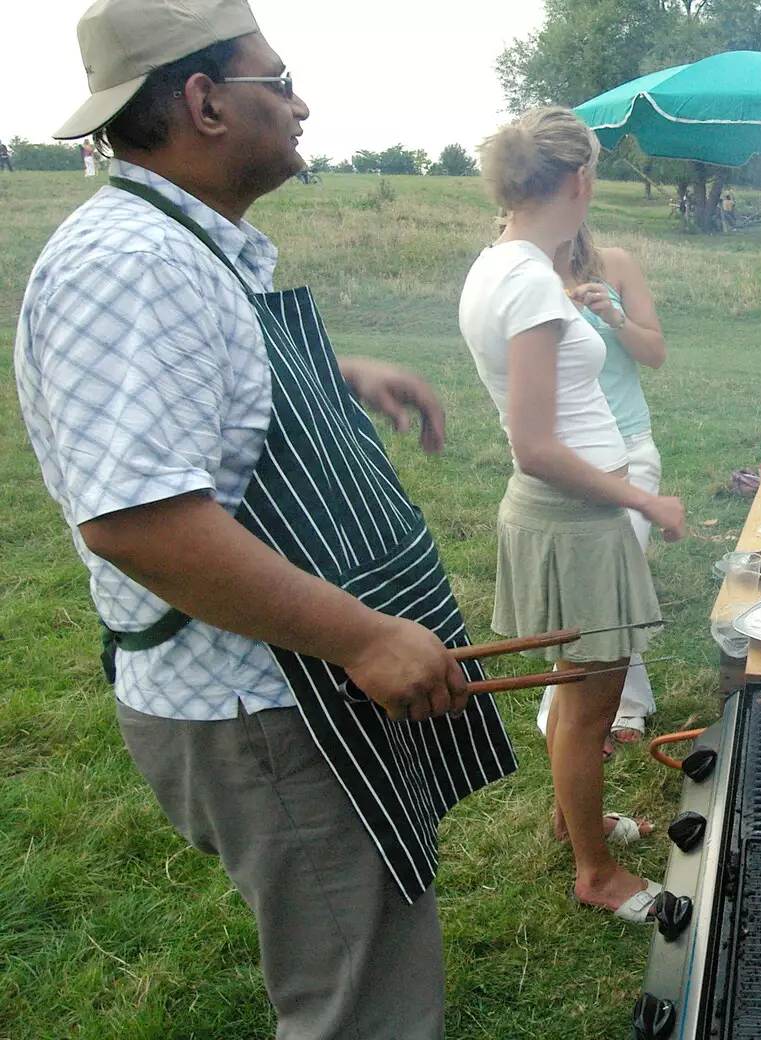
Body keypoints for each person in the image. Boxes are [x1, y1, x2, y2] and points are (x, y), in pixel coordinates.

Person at [16, 1, 518, 1034]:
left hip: (285, 692)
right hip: (261, 705)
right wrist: (367, 635)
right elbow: (139, 520)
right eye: (276, 80)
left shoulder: (183, 246)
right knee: (358, 1001)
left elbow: (190, 393)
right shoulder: (135, 264)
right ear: (204, 102)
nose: (299, 104)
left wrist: (329, 369)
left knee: (373, 945)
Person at [459, 106, 687, 923]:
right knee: (590, 704)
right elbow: (535, 446)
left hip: (570, 514)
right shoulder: (525, 279)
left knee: (579, 696)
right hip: (574, 514)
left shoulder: (503, 263)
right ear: (581, 180)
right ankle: (595, 873)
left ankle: (572, 819)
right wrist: (643, 497)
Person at [530, 224, 669, 747]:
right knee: (583, 587)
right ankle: (575, 710)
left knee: (617, 579)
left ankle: (618, 706)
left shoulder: (616, 265)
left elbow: (655, 353)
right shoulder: (522, 276)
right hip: (564, 455)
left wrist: (613, 317)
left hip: (629, 446)